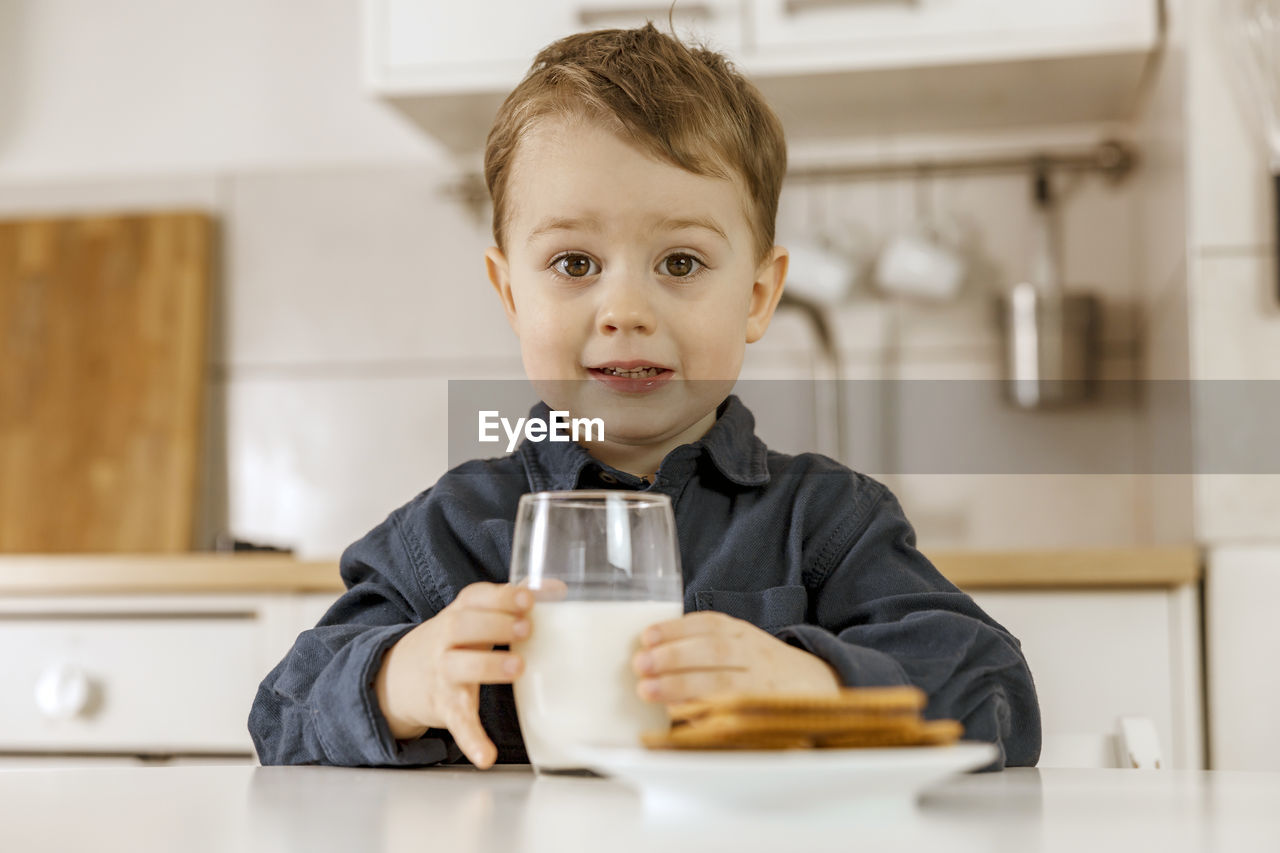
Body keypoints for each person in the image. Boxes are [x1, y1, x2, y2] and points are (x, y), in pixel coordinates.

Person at [248, 23, 1041, 770]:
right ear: (511, 292)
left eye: (681, 263)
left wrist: (819, 686)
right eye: (574, 264)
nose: (625, 309)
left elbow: (998, 689)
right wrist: (398, 680)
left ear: (760, 295)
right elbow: (281, 711)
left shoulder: (827, 521)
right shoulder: (451, 533)